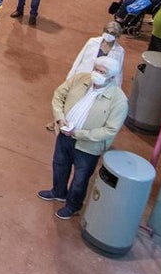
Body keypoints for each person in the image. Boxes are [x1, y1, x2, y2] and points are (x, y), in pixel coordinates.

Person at [39, 57, 128, 219]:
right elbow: (59, 95)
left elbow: (110, 130)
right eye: (96, 69)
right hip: (65, 136)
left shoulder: (119, 100)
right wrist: (59, 118)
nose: (96, 73)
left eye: (102, 72)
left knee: (80, 178)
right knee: (59, 165)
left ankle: (73, 206)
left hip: (88, 147)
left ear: (112, 76)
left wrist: (78, 134)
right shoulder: (81, 79)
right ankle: (58, 191)